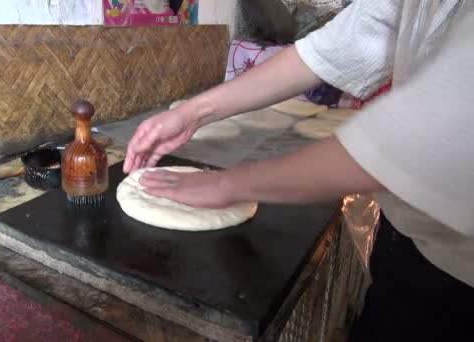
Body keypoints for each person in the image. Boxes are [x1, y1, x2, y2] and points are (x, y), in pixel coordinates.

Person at [123, 1, 474, 341]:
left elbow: (421, 140)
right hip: (405, 239)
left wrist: (228, 183)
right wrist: (192, 113)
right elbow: (335, 48)